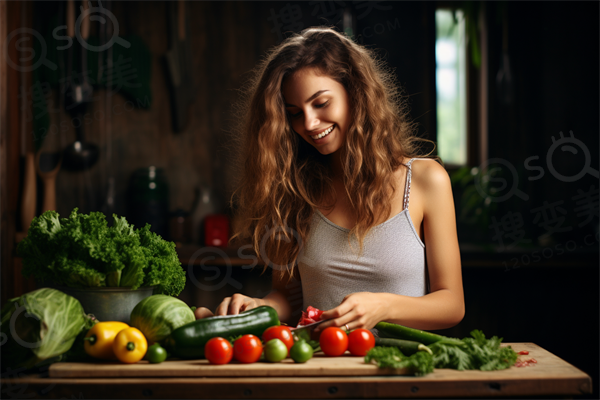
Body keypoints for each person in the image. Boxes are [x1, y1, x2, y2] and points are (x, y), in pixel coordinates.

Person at [195, 27, 464, 333]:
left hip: (400, 371)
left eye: (321, 103)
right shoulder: (294, 190)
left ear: (356, 93)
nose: (308, 124)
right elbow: (288, 296)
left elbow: (452, 304)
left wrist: (384, 306)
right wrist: (259, 307)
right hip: (318, 366)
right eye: (294, 113)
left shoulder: (426, 180)